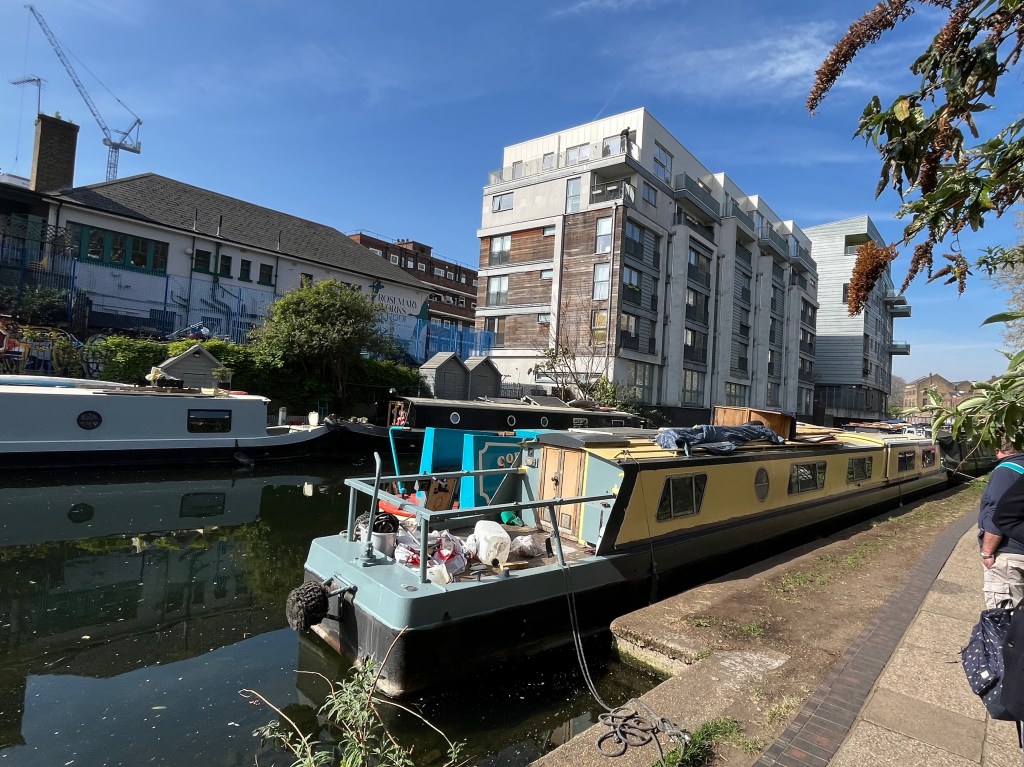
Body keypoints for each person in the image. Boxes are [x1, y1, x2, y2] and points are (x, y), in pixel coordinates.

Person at [982, 441, 1024, 609]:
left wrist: (987, 552)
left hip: (1009, 555)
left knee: (1003, 621)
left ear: (999, 449)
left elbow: (997, 513)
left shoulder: (1006, 470)